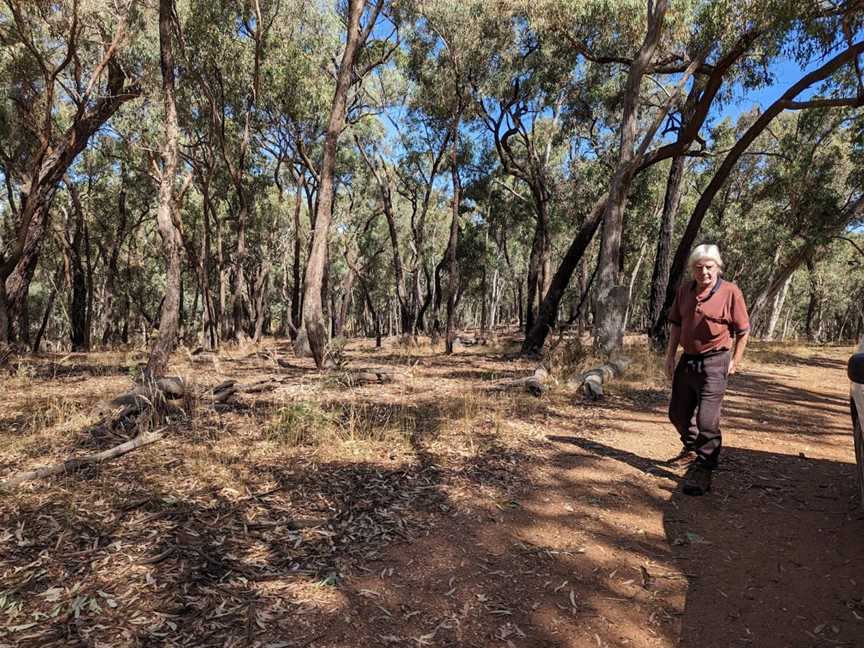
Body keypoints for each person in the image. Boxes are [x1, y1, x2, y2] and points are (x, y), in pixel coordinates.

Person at [664, 244, 750, 495]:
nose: (704, 272)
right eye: (699, 268)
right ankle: (692, 448)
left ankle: (704, 466)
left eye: (709, 267)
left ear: (718, 267)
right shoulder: (684, 292)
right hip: (687, 360)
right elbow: (676, 325)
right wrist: (670, 356)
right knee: (677, 414)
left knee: (707, 420)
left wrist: (736, 360)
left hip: (715, 361)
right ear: (692, 270)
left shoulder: (731, 292)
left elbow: (743, 331)